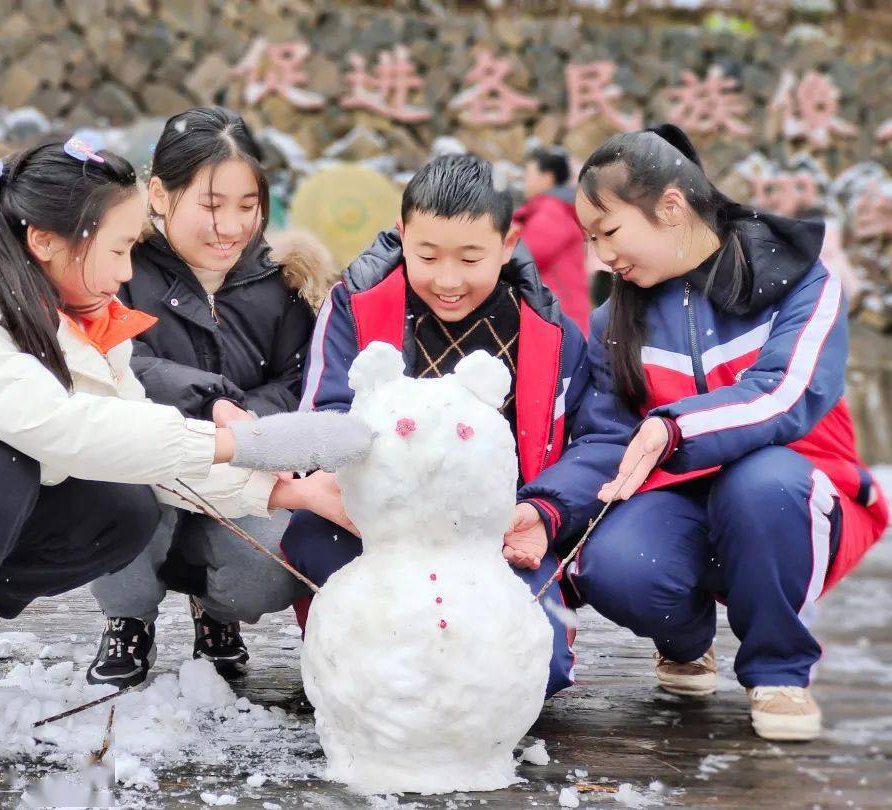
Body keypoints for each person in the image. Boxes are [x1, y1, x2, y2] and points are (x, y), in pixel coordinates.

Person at [0, 138, 348, 735]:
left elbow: (134, 442)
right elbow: (63, 429)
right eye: (119, 250)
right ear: (44, 241)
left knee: (119, 506)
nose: (126, 271)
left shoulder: (70, 307)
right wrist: (241, 444)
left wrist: (283, 493)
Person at [518, 124, 888, 741]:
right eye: (590, 239)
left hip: (797, 492)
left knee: (759, 482)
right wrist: (546, 510)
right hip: (681, 499)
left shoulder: (800, 279)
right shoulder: (617, 318)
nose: (600, 255)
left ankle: (777, 670)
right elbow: (608, 439)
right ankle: (686, 641)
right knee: (612, 562)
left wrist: (672, 428)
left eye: (609, 232)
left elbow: (786, 396)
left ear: (671, 205)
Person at [284, 154, 590, 699]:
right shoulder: (356, 304)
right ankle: (364, 671)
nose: (448, 281)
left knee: (539, 668)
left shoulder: (548, 328)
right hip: (374, 525)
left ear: (507, 243)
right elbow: (324, 416)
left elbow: (585, 446)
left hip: (492, 534)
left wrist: (540, 511)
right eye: (427, 255)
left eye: (471, 258)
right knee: (320, 555)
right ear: (402, 236)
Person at [86, 108, 327, 687]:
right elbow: (112, 361)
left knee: (269, 570)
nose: (231, 227)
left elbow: (301, 380)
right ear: (161, 195)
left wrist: (245, 423)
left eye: (248, 207)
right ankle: (128, 615)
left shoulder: (282, 281)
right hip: (141, 461)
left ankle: (214, 609)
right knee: (115, 503)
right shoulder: (122, 265)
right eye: (212, 206)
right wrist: (211, 399)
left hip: (241, 466)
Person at [512, 146, 590, 333]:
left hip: (558, 315)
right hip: (560, 313)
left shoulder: (551, 212)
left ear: (547, 177)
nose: (525, 182)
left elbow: (523, 255)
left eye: (528, 175)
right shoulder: (551, 209)